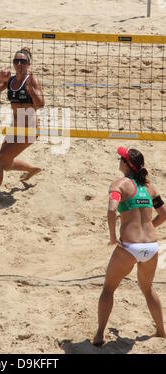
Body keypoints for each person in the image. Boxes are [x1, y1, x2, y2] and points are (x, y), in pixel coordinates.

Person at [93, 146, 166, 346]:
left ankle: (99, 335)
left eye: (121, 158)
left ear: (126, 164)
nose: (119, 160)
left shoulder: (119, 185)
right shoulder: (150, 187)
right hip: (151, 248)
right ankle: (161, 331)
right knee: (148, 289)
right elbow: (164, 214)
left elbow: (111, 210)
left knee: (108, 289)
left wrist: (112, 236)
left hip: (129, 247)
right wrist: (150, 225)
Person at [0, 47, 45, 204]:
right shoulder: (10, 81)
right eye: (16, 61)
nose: (19, 64)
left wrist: (32, 91)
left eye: (23, 61)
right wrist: (0, 81)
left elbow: (40, 104)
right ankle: (32, 169)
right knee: (5, 163)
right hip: (15, 128)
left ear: (28, 64)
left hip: (29, 130)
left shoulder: (32, 81)